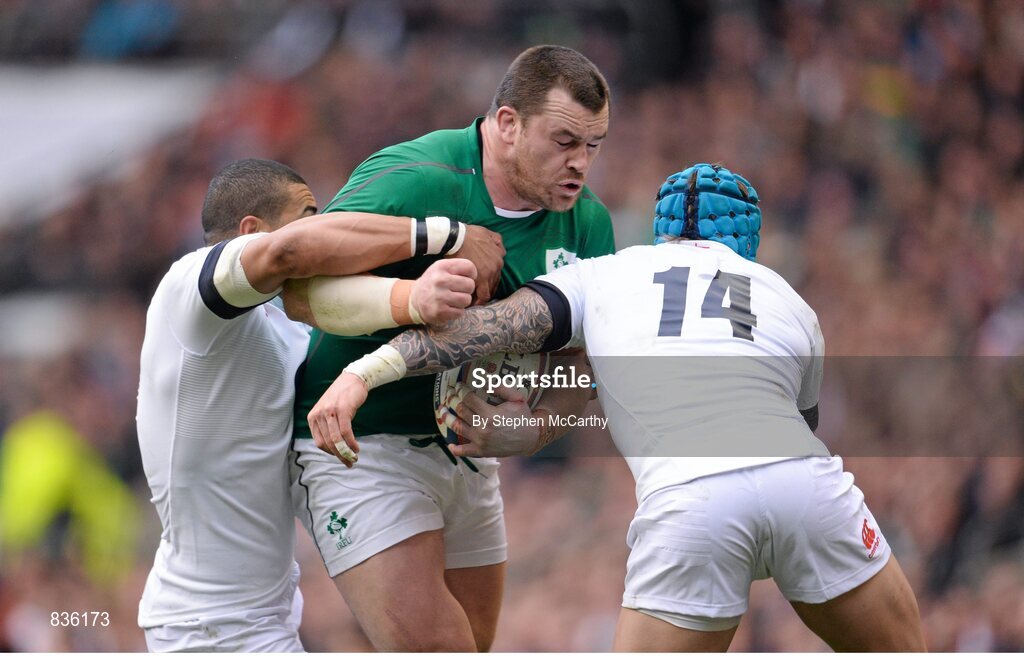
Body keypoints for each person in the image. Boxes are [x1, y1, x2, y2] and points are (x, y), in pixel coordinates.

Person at [313, 163, 928, 652]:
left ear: (662, 233)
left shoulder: (605, 274)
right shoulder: (789, 300)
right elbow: (798, 421)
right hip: (806, 486)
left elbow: (483, 330)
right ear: (748, 242)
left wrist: (364, 372)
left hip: (691, 506)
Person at [291, 45, 615, 650]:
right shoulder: (420, 176)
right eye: (565, 140)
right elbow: (297, 286)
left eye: (593, 146)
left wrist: (536, 428)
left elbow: (590, 362)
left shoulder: (588, 224)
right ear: (508, 124)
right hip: (362, 448)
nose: (580, 164)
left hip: (468, 459)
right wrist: (410, 291)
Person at [135, 158, 502, 651]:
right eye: (311, 215)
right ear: (250, 231)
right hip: (207, 627)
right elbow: (289, 254)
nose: (327, 228)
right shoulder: (188, 291)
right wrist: (447, 235)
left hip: (265, 619)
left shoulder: (290, 327)